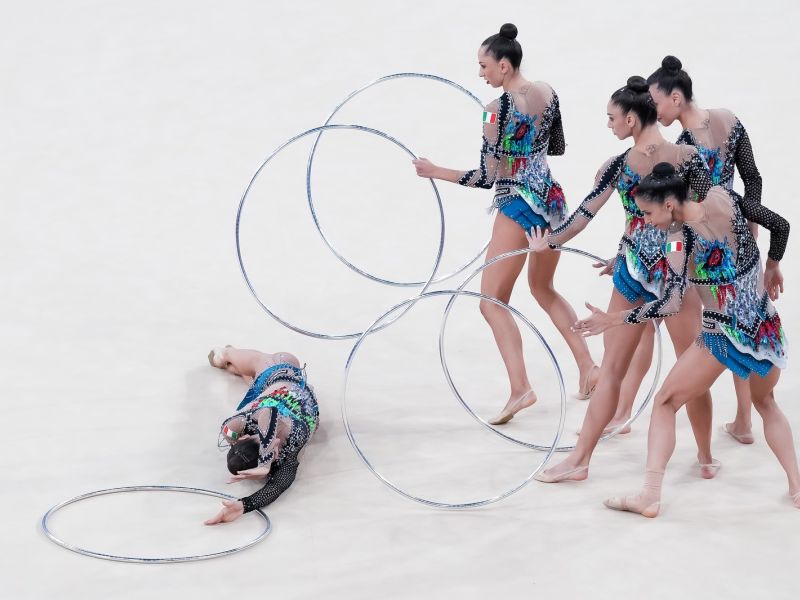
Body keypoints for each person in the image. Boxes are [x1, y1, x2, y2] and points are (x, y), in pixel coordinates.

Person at [550, 162, 797, 516]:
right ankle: (796, 487)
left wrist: (615, 319)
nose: (646, 221)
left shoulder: (679, 239)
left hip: (722, 334)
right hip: (765, 328)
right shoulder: (725, 197)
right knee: (767, 403)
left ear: (669, 204)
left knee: (665, 402)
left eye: (648, 213)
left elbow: (671, 304)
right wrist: (773, 264)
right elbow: (781, 225)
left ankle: (650, 495)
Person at [526, 77, 718, 483]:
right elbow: (586, 213)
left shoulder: (663, 161)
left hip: (671, 276)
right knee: (631, 368)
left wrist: (551, 241)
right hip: (645, 271)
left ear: (631, 119)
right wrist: (553, 241)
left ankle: (701, 453)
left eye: (612, 118)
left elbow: (584, 215)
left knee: (675, 367)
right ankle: (585, 459)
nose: (609, 124)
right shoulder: (679, 158)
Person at [412, 22, 598, 425]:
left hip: (517, 205)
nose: (480, 73)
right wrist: (528, 150)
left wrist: (435, 170)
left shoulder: (494, 111)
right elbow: (557, 147)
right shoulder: (548, 93)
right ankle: (588, 368)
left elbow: (487, 177)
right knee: (544, 288)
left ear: (504, 65)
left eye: (484, 66)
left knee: (491, 302)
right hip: (552, 201)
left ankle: (521, 388)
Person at [648, 55, 764, 445]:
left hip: (707, 248)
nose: (654, 111)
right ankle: (744, 419)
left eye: (656, 102)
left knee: (718, 325)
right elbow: (752, 178)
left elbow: (677, 210)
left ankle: (723, 412)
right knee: (740, 321)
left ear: (676, 97)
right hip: (736, 234)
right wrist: (750, 221)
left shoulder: (681, 148)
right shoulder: (727, 120)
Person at [204, 346, 319, 524]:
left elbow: (269, 412)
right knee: (259, 377)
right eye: (274, 454)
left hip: (276, 373)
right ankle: (236, 370)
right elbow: (277, 486)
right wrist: (244, 505)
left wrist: (265, 459)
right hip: (282, 386)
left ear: (244, 437)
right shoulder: (293, 440)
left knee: (268, 363)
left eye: (263, 439)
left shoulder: (243, 424)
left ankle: (225, 354)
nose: (276, 442)